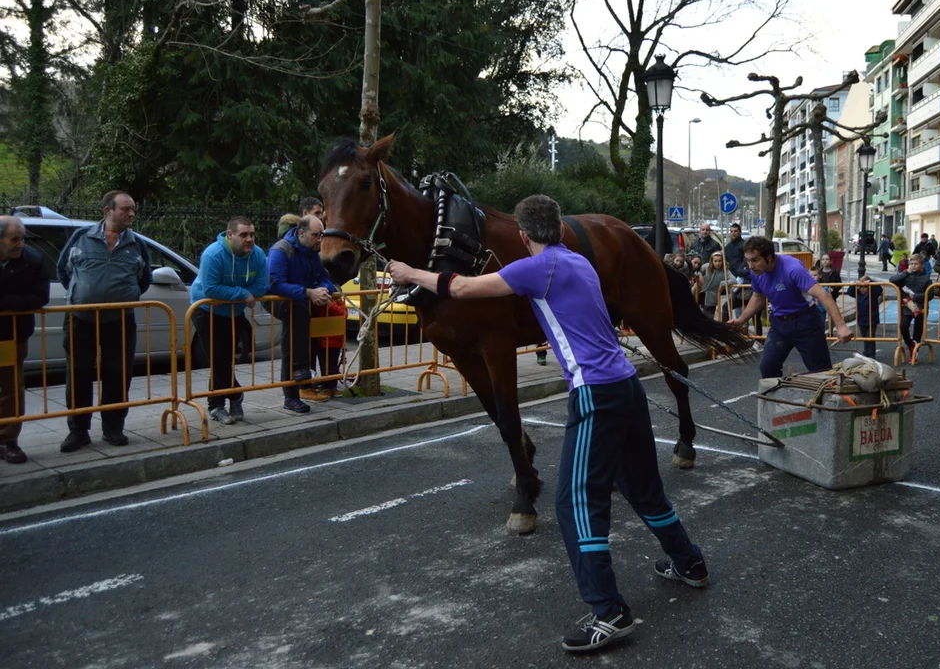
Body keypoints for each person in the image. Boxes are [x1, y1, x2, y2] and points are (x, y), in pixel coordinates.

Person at [387, 195, 709, 654]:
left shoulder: (536, 268)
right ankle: (689, 562)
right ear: (559, 229)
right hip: (626, 386)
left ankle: (608, 612)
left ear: (523, 236)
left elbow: (461, 288)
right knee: (642, 486)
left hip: (596, 393)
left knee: (574, 502)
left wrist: (409, 272)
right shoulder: (579, 262)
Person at [55, 192, 151, 452]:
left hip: (120, 319)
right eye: (126, 209)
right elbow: (64, 270)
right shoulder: (81, 237)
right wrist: (82, 294)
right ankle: (78, 430)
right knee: (78, 373)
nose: (131, 213)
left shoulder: (136, 243)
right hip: (81, 318)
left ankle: (113, 428)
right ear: (108, 210)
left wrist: (125, 295)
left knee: (118, 373)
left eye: (133, 209)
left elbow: (144, 279)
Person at [728, 236, 853, 378]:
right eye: (747, 260)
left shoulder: (792, 269)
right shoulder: (756, 271)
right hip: (779, 324)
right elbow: (758, 297)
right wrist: (741, 320)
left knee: (820, 372)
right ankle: (775, 393)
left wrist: (841, 326)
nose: (750, 266)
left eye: (755, 260)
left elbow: (823, 295)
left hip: (806, 323)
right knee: (768, 367)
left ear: (769, 258)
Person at [189, 217, 269, 425]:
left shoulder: (258, 254)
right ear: (230, 235)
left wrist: (238, 295)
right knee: (218, 358)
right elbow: (211, 289)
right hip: (206, 310)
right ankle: (235, 394)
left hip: (234, 312)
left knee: (225, 360)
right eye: (244, 235)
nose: (249, 239)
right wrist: (243, 293)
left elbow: (262, 286)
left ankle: (217, 404)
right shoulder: (213, 254)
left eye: (252, 235)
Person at [268, 215, 337, 413]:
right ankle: (296, 380)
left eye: (322, 235)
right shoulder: (281, 250)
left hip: (300, 300)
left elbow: (326, 279)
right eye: (316, 235)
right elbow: (275, 284)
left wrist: (323, 290)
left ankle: (299, 379)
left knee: (299, 330)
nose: (320, 240)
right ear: (301, 233)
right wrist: (308, 293)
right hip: (279, 299)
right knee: (296, 320)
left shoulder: (312, 252)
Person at [0, 217, 50, 463]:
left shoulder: (32, 260)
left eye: (22, 238)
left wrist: (5, 303)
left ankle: (7, 439)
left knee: (11, 387)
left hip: (10, 336)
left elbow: (40, 296)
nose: (20, 244)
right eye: (14, 239)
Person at [891, 254, 933, 361]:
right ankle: (910, 344)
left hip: (921, 307)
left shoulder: (926, 279)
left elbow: (930, 294)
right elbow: (892, 280)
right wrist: (906, 272)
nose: (913, 266)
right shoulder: (905, 276)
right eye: (912, 263)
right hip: (907, 306)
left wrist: (917, 297)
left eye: (916, 264)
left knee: (918, 329)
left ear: (921, 265)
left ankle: (914, 351)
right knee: (903, 326)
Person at [845, 275, 883, 358]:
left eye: (865, 287)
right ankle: (866, 351)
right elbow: (850, 292)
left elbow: (879, 289)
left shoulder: (873, 293)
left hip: (872, 318)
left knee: (870, 337)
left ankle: (872, 354)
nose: (863, 289)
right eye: (861, 287)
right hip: (861, 318)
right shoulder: (857, 293)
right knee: (864, 337)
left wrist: (871, 282)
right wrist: (854, 284)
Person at [700, 251, 727, 319]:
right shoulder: (706, 266)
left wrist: (723, 283)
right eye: (715, 261)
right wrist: (699, 275)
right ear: (712, 261)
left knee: (709, 315)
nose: (717, 263)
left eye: (719, 261)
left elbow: (733, 280)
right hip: (702, 292)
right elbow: (697, 271)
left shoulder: (724, 270)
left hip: (712, 296)